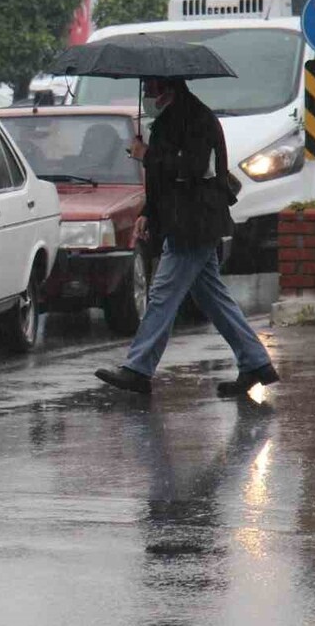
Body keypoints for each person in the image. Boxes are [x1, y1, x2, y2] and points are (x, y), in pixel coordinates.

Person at [94, 77, 279, 398]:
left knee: (163, 295)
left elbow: (192, 168)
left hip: (195, 223)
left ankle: (138, 369)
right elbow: (163, 180)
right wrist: (148, 212)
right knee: (213, 299)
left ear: (168, 88)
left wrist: (146, 154)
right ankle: (256, 362)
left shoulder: (197, 119)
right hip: (183, 221)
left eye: (151, 88)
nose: (147, 95)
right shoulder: (169, 118)